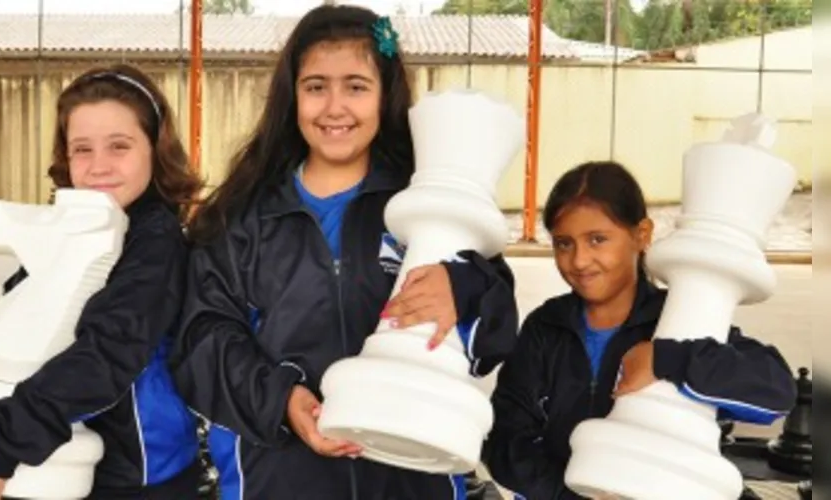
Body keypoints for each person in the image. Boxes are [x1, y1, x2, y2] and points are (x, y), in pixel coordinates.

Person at [170, 5, 519, 500]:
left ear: (384, 96)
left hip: (411, 477)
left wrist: (460, 287)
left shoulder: (429, 202)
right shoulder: (239, 220)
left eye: (356, 87)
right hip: (278, 480)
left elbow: (494, 337)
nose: (335, 108)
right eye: (316, 87)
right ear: (292, 96)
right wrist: (281, 400)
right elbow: (202, 342)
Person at [0, 63, 205, 500]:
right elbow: (15, 321)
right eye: (82, 149)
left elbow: (107, 354)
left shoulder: (158, 246)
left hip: (137, 480)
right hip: (54, 465)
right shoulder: (73, 229)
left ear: (155, 149)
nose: (99, 166)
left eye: (119, 146)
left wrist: (1, 449)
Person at [483, 161, 797, 499]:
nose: (579, 260)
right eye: (564, 243)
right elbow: (505, 442)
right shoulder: (545, 328)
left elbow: (775, 393)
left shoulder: (681, 322)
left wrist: (666, 359)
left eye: (597, 239)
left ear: (642, 235)